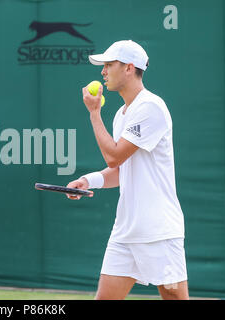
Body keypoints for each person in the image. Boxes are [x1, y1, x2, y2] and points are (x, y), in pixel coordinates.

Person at [67, 40, 188, 300]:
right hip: (126, 231)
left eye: (109, 65)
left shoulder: (150, 108)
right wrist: (88, 180)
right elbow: (122, 169)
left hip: (158, 232)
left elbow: (113, 156)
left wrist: (94, 113)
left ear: (129, 68)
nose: (103, 72)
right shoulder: (122, 114)